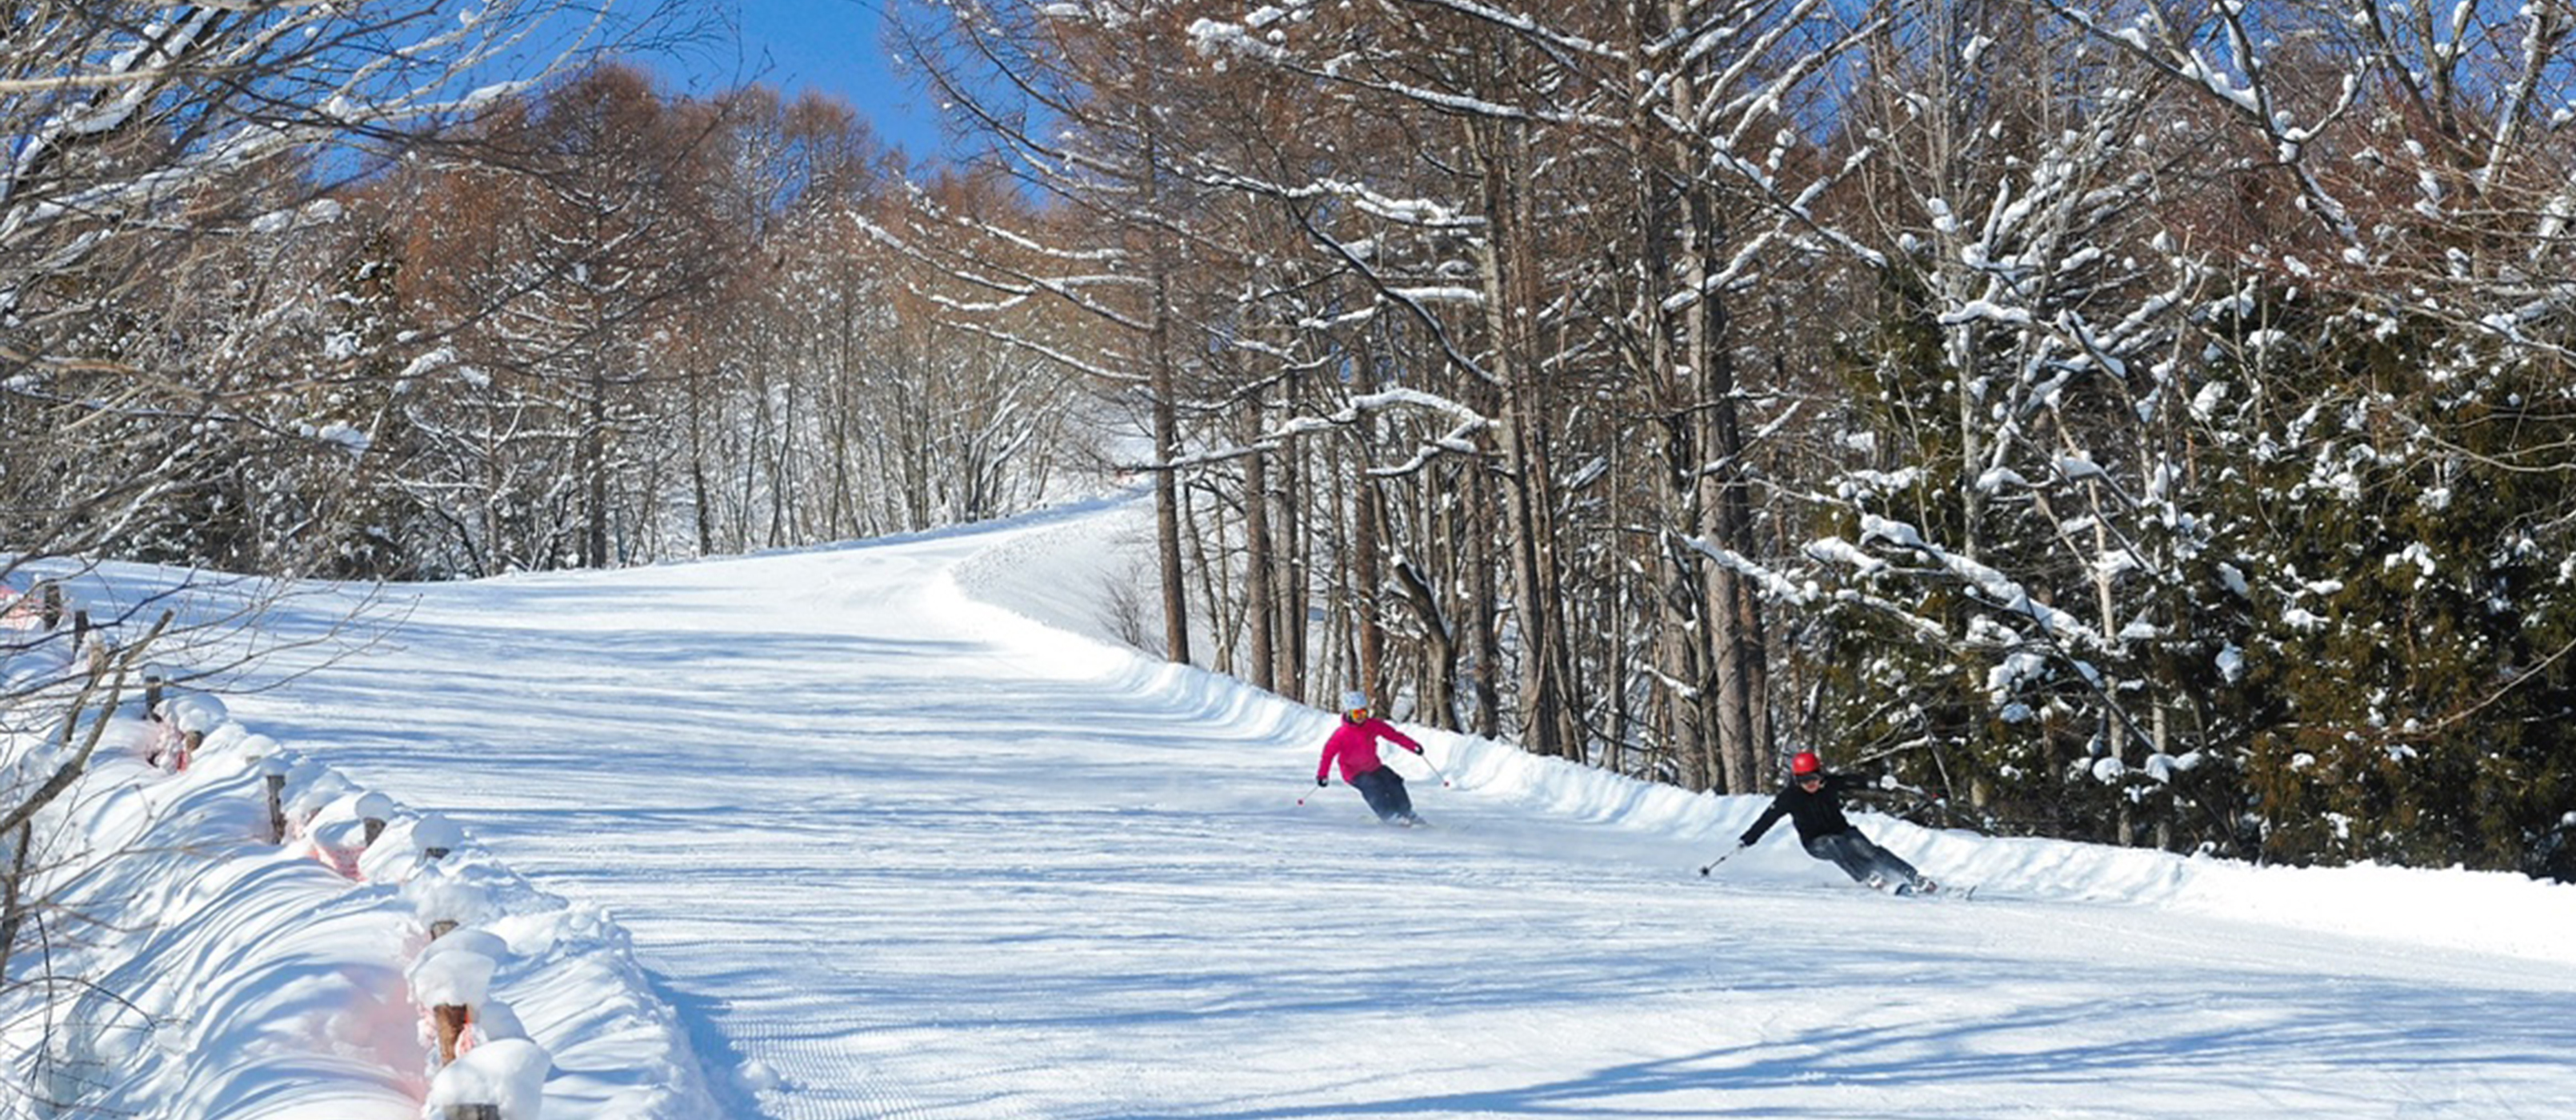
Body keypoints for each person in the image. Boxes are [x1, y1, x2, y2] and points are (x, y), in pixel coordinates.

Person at [1736, 750, 1938, 895]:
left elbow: (1855, 781)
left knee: (1867, 849)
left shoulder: (1830, 784)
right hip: (1816, 842)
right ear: (1796, 779)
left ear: (1820, 774)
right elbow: (1767, 819)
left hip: (1842, 831)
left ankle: (1912, 876)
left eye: (1814, 778)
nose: (1811, 784)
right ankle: (1869, 877)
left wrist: (1879, 783)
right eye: (1805, 780)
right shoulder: (1790, 797)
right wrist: (1748, 839)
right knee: (1834, 845)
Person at [1315, 690, 1426, 826]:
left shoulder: (1372, 725)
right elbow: (1327, 755)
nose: (1361, 717)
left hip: (1373, 766)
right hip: (1353, 772)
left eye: (1363, 712)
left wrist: (1413, 746)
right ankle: (1389, 815)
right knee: (1372, 786)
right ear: (1349, 713)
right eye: (1357, 713)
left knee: (1394, 780)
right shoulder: (1341, 735)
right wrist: (1322, 775)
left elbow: (1394, 735)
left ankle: (1406, 812)